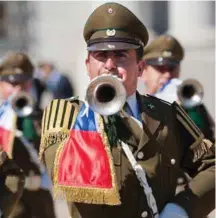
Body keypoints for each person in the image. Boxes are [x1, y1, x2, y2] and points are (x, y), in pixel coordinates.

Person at [39, 2, 215, 218]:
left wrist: (182, 208)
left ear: (140, 67)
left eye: (121, 55)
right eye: (101, 55)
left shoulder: (167, 113)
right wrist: (98, 108)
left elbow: (211, 167)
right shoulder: (68, 115)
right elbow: (66, 176)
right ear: (87, 65)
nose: (110, 64)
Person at [0, 52, 56, 218]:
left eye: (24, 83)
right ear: (1, 84)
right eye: (12, 83)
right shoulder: (2, 120)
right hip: (10, 203)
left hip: (40, 202)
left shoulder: (42, 117)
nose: (18, 89)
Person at [141, 35, 215, 142]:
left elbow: (207, 143)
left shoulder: (192, 106)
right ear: (143, 72)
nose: (167, 75)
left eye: (172, 68)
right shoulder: (136, 106)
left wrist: (185, 111)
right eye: (160, 68)